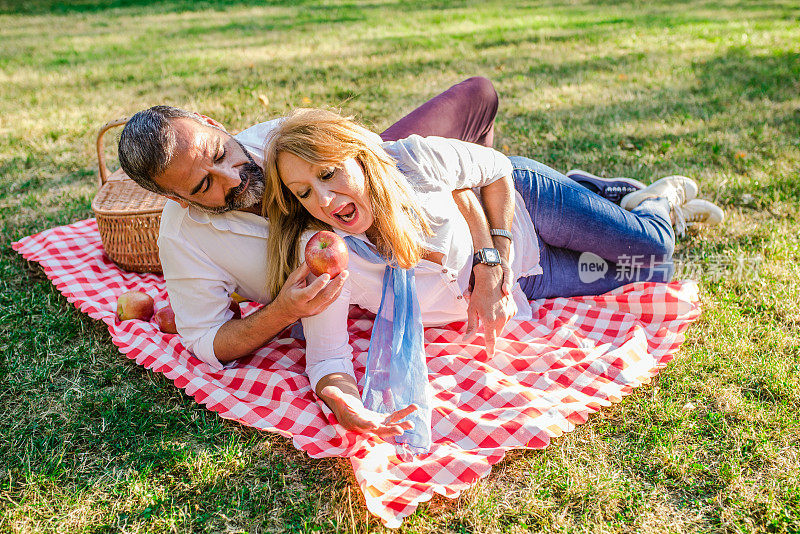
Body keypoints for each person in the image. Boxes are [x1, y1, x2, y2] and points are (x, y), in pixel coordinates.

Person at [262, 108, 724, 444]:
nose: (323, 200)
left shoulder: (412, 160)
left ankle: (650, 201)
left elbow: (497, 169)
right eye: (304, 192)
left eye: (328, 173)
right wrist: (344, 402)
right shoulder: (324, 256)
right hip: (528, 280)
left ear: (359, 156)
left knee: (655, 247)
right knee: (652, 274)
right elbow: (326, 359)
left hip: (527, 206)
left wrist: (492, 260)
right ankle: (598, 192)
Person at [118, 77, 532, 370]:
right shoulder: (181, 236)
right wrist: (281, 312)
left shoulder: (281, 139)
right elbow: (206, 340)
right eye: (205, 183)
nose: (233, 175)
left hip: (388, 191)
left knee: (478, 95)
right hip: (367, 282)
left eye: (220, 151)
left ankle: (542, 195)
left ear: (212, 123)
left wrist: (488, 253)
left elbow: (410, 178)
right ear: (175, 198)